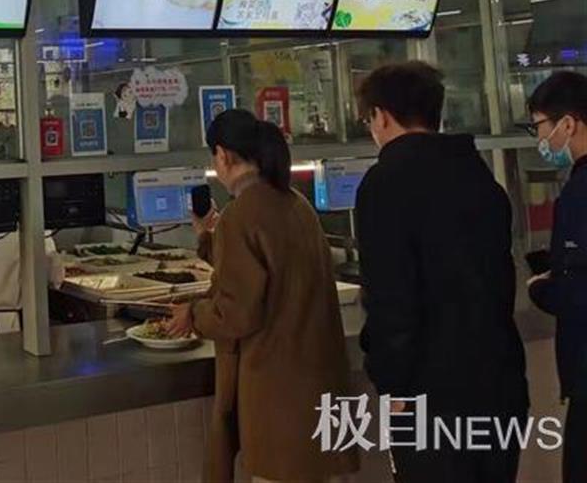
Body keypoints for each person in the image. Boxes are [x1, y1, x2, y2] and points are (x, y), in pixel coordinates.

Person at [355, 62, 528, 483]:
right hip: (499, 386)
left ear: (380, 116)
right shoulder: (480, 178)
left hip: (431, 397)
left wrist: (392, 385)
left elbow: (392, 299)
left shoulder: (384, 183)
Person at [168, 109, 357, 483]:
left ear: (223, 155)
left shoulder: (242, 214)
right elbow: (267, 270)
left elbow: (236, 313)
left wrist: (193, 314)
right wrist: (207, 238)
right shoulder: (295, 204)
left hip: (280, 398)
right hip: (321, 391)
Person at [525, 71, 587, 483]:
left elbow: (579, 291)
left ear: (568, 123)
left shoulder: (581, 191)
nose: (540, 139)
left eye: (539, 126)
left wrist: (544, 289)